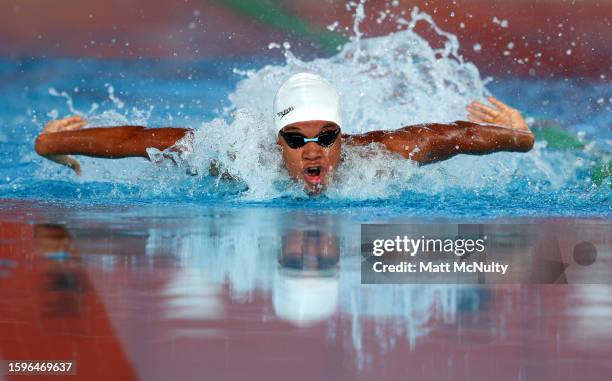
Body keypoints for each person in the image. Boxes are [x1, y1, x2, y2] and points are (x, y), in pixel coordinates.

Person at [35, 72, 534, 194]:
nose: (312, 150)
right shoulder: (234, 161)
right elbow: (133, 141)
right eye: (296, 139)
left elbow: (458, 136)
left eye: (326, 136)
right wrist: (49, 144)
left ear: (344, 135)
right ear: (278, 141)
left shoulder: (383, 157)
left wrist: (522, 136)